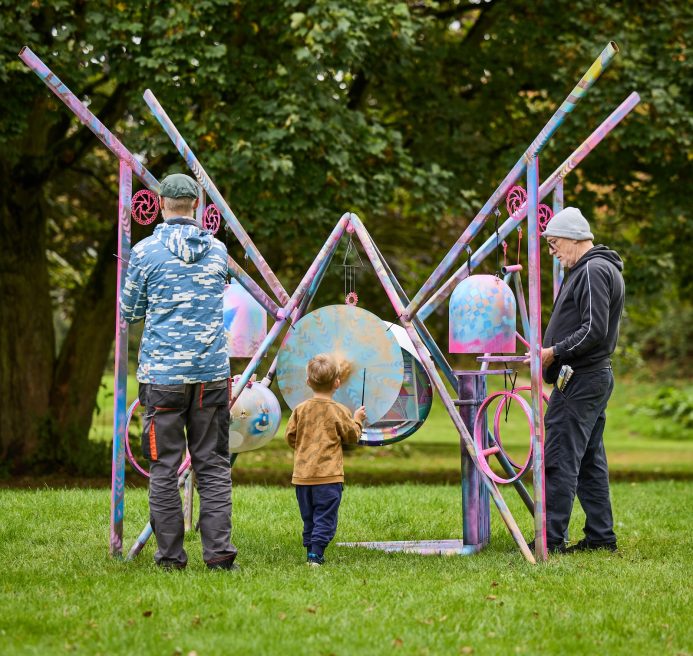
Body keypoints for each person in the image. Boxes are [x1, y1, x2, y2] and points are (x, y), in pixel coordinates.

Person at [120, 173, 238, 570]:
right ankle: (219, 555)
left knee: (163, 467)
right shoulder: (219, 251)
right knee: (214, 464)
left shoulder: (145, 251)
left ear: (161, 202)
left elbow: (130, 312)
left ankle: (170, 557)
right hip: (210, 374)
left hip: (163, 377)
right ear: (195, 205)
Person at [539, 206, 625, 554]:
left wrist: (553, 352)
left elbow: (594, 330)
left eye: (555, 243)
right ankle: (601, 537)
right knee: (589, 460)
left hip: (582, 377)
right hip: (590, 376)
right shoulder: (593, 268)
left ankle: (550, 540)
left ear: (574, 238)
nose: (552, 251)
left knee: (559, 455)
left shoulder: (593, 269)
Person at [285, 354, 366, 566]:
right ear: (337, 383)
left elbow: (290, 436)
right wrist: (357, 420)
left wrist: (304, 448)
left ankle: (311, 551)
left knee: (309, 516)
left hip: (302, 476)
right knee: (325, 516)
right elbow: (352, 436)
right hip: (328, 476)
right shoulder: (340, 411)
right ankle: (316, 554)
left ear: (308, 381)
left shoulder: (300, 410)